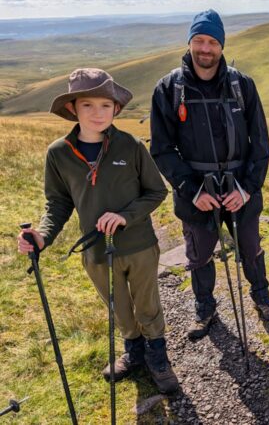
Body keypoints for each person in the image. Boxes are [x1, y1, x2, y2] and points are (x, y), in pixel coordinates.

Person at [17, 68, 179, 394]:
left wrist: (124, 216)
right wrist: (42, 236)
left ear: (116, 108)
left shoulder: (131, 146)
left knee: (147, 304)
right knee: (118, 306)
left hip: (140, 245)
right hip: (96, 253)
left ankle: (158, 356)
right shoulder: (58, 153)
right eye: (87, 105)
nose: (97, 113)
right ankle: (133, 353)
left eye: (105, 105)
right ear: (72, 109)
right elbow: (58, 204)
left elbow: (156, 192)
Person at [150, 9, 269, 340]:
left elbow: (261, 145)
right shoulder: (169, 89)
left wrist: (248, 189)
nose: (205, 48)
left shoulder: (243, 86)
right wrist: (193, 190)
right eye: (199, 40)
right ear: (190, 42)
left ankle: (261, 296)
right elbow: (163, 150)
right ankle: (204, 307)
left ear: (221, 45)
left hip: (240, 187)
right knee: (199, 254)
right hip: (197, 191)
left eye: (212, 41)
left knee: (250, 246)